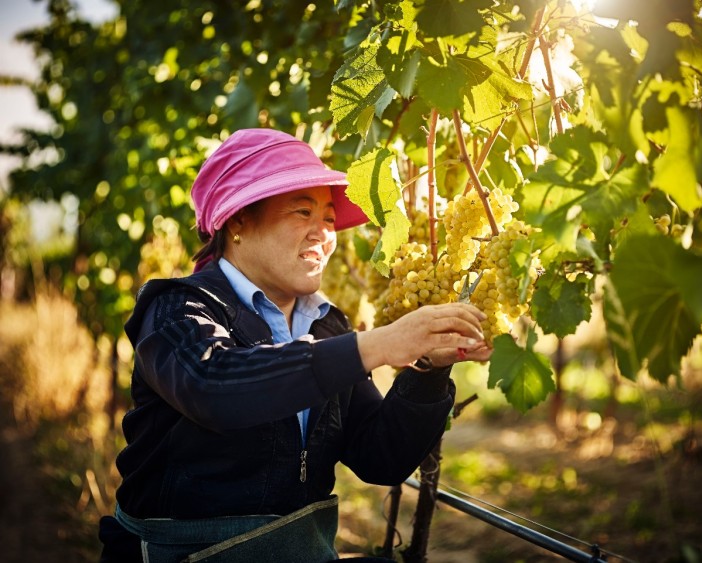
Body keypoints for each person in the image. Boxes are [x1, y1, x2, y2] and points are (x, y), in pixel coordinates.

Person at [98, 128, 492, 562]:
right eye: (302, 212)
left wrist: (428, 369)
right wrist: (375, 346)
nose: (322, 233)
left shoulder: (327, 325)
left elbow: (381, 459)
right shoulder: (177, 307)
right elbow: (215, 386)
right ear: (238, 222)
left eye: (327, 218)